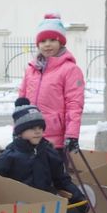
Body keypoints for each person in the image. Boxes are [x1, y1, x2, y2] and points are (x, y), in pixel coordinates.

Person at [0, 99, 88, 213]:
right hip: (20, 206)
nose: (38, 132)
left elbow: (62, 180)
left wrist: (78, 197)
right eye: (32, 128)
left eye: (40, 128)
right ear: (20, 131)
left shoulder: (48, 152)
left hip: (47, 203)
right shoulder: (10, 156)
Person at [18, 13, 85, 151]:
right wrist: (18, 128)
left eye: (52, 40)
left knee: (53, 173)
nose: (47, 45)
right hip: (29, 136)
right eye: (43, 41)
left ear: (61, 42)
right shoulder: (31, 69)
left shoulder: (70, 70)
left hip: (55, 140)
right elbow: (21, 102)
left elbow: (74, 104)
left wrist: (72, 135)